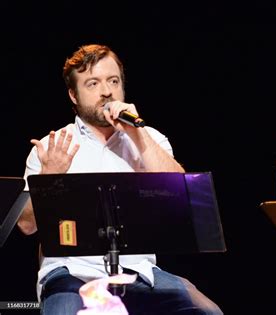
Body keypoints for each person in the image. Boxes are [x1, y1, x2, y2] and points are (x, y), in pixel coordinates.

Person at [17, 44, 223, 315]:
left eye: (113, 81)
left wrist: (137, 133)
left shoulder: (150, 139)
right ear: (73, 95)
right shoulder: (50, 147)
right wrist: (50, 176)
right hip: (71, 276)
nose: (106, 91)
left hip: (139, 274)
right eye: (92, 83)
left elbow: (185, 200)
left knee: (207, 311)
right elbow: (26, 225)